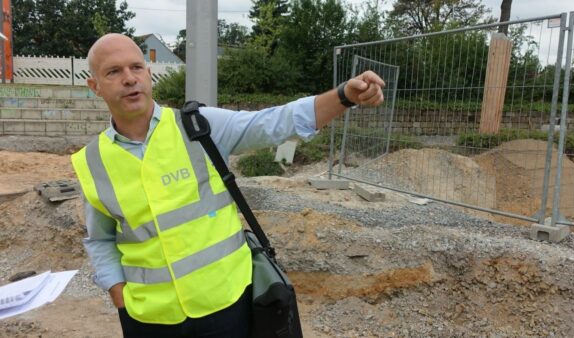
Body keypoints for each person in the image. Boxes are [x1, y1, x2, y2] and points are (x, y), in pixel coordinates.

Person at [71, 33, 385, 338]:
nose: (129, 78)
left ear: (149, 73)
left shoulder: (198, 127)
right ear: (94, 86)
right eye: (114, 71)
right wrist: (118, 293)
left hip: (226, 305)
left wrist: (343, 96)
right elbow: (100, 239)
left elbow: (274, 122)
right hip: (148, 318)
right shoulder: (92, 161)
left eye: (136, 67)